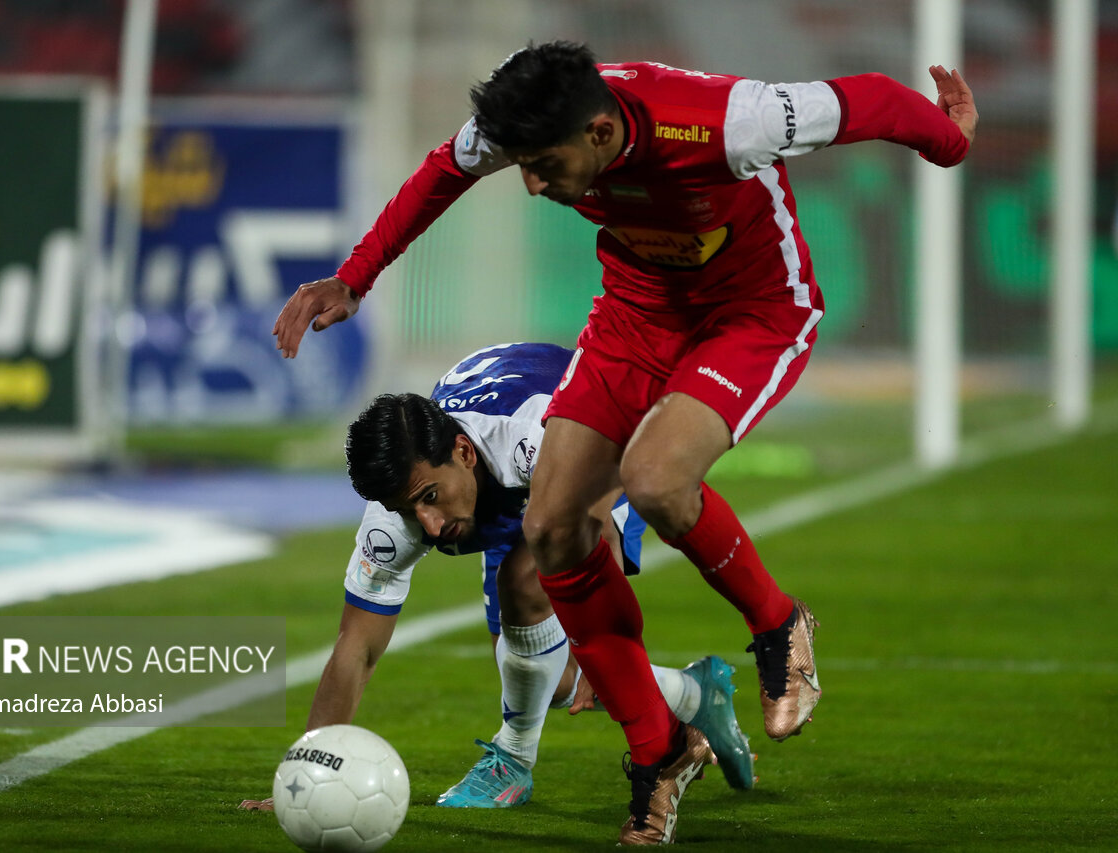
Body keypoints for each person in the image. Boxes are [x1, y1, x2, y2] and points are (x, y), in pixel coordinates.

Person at [273, 42, 978, 845]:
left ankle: (778, 622)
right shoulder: (533, 121)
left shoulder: (732, 122)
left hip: (750, 314)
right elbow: (443, 171)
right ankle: (661, 752)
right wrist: (355, 277)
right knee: (549, 528)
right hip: (635, 315)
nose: (531, 184)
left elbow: (869, 101)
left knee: (654, 478)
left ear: (602, 133)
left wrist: (950, 140)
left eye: (544, 166)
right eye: (521, 164)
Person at [240, 342, 755, 814]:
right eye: (409, 511)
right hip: (504, 484)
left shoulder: (533, 438)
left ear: (464, 453)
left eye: (430, 498)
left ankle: (512, 761)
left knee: (526, 582)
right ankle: (696, 693)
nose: (430, 526)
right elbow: (357, 648)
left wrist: (597, 643)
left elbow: (596, 527)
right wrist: (306, 778)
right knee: (553, 681)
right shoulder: (393, 520)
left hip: (602, 441)